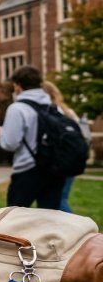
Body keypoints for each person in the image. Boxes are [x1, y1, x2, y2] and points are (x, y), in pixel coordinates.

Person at [0, 66, 66, 210]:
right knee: (50, 219)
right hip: (54, 169)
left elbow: (10, 143)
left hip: (27, 170)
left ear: (18, 85)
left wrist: (2, 134)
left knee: (13, 218)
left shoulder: (17, 108)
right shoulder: (54, 107)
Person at [41, 80, 87, 213]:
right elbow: (83, 136)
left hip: (56, 162)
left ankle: (77, 229)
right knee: (61, 199)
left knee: (58, 201)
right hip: (71, 159)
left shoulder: (47, 113)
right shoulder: (68, 112)